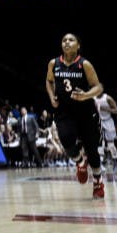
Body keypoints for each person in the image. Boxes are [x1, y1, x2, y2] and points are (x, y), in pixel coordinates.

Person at [46, 33, 106, 198]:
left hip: (86, 112)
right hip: (64, 111)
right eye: (64, 40)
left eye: (71, 40)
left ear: (78, 45)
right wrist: (52, 97)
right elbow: (49, 81)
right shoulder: (54, 63)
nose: (66, 42)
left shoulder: (84, 64)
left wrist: (86, 95)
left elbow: (99, 87)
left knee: (92, 150)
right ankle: (80, 162)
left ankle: (98, 182)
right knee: (65, 139)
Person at [94, 91, 117, 171]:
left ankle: (115, 161)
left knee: (111, 145)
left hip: (108, 121)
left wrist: (104, 108)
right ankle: (101, 163)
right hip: (99, 122)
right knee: (100, 144)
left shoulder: (108, 98)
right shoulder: (93, 98)